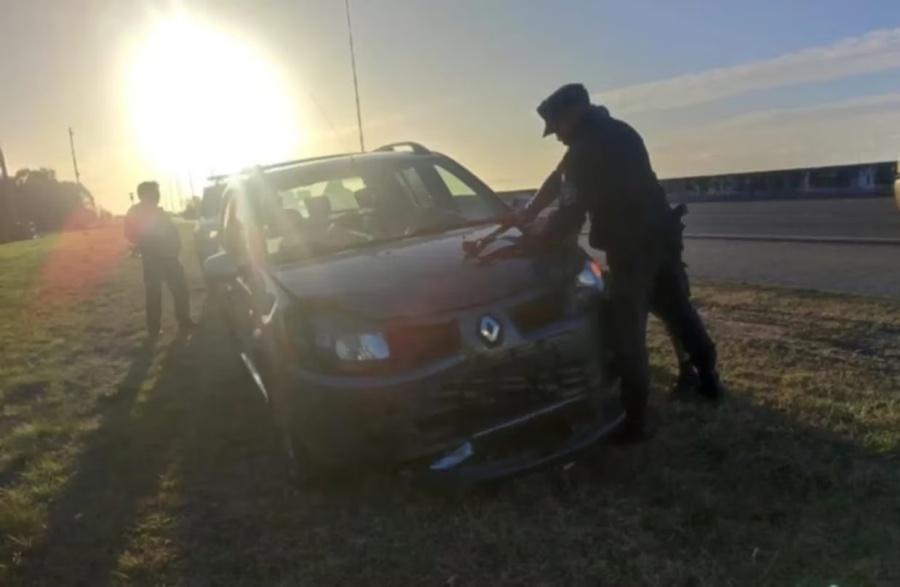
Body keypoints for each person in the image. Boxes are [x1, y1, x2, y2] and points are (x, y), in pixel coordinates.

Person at [512, 83, 725, 443]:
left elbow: (568, 212)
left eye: (557, 129)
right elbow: (558, 177)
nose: (558, 138)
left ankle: (636, 423)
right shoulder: (618, 131)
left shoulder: (584, 149)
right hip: (663, 237)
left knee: (626, 331)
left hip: (632, 250)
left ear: (571, 116)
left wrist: (534, 238)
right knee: (679, 312)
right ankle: (709, 383)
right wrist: (528, 211)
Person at [124, 180, 195, 341]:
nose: (158, 195)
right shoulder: (136, 212)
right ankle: (154, 330)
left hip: (170, 258)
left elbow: (170, 232)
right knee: (154, 295)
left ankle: (184, 321)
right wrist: (147, 241)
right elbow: (129, 233)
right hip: (153, 260)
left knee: (180, 291)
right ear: (144, 194)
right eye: (154, 192)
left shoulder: (160, 212)